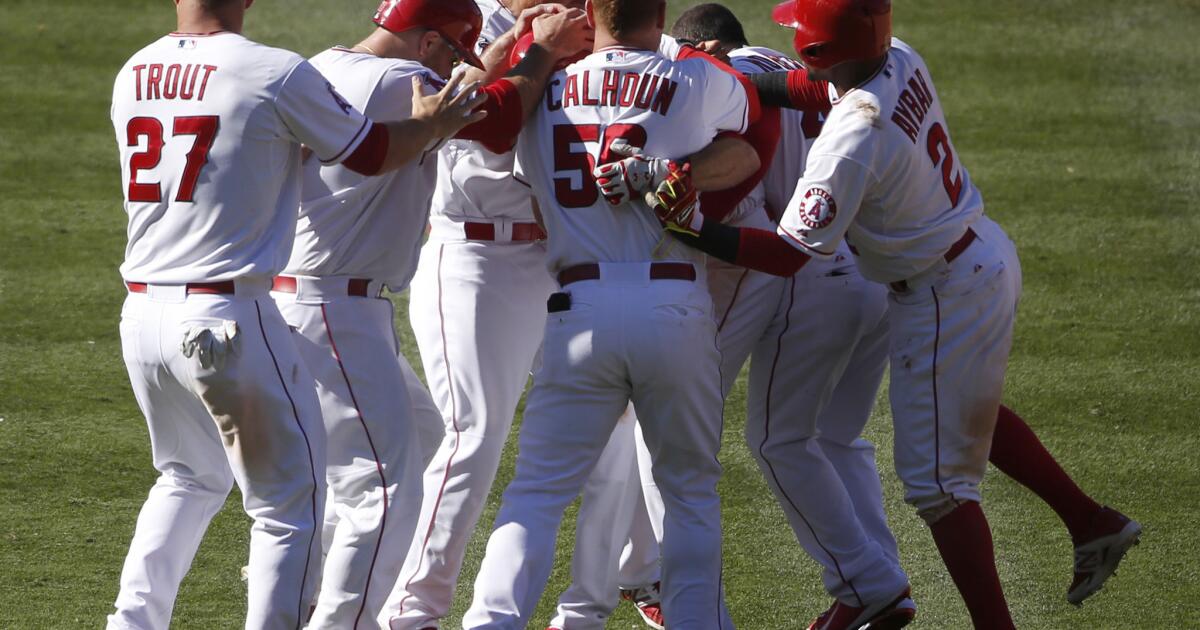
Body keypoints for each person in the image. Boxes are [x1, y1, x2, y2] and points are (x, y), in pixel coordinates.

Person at [647, 0, 1141, 627]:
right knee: (967, 413)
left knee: (938, 487)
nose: (792, 35)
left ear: (824, 48)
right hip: (978, 252)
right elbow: (806, 83)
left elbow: (786, 254)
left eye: (801, 30)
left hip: (943, 292)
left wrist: (690, 224)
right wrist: (741, 80)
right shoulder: (898, 54)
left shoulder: (854, 135)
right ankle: (1091, 522)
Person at [104, 0, 501, 626]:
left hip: (141, 314)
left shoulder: (136, 70)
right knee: (291, 507)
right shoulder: (270, 69)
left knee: (187, 478)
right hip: (230, 313)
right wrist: (434, 124)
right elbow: (368, 152)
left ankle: (129, 622)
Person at [266, 0, 593, 627]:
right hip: (330, 301)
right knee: (381, 491)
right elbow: (495, 126)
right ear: (428, 42)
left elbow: (458, 98)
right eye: (451, 51)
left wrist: (491, 60)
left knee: (418, 439)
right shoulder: (398, 84)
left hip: (307, 294)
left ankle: (304, 594)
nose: (454, 65)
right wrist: (539, 55)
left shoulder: (326, 66)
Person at [459, 0, 763, 626]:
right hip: (673, 303)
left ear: (591, 9)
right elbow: (749, 139)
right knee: (689, 498)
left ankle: (490, 621)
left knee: (537, 494)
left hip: (579, 307)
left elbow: (530, 185)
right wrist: (677, 169)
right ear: (663, 10)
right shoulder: (700, 78)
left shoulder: (542, 89)